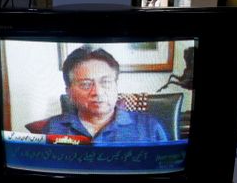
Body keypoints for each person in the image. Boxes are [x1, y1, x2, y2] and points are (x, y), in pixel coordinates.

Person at [37, 47, 168, 143]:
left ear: (116, 85)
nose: (97, 92)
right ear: (69, 93)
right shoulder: (53, 127)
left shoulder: (150, 127)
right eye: (86, 84)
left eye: (105, 82)